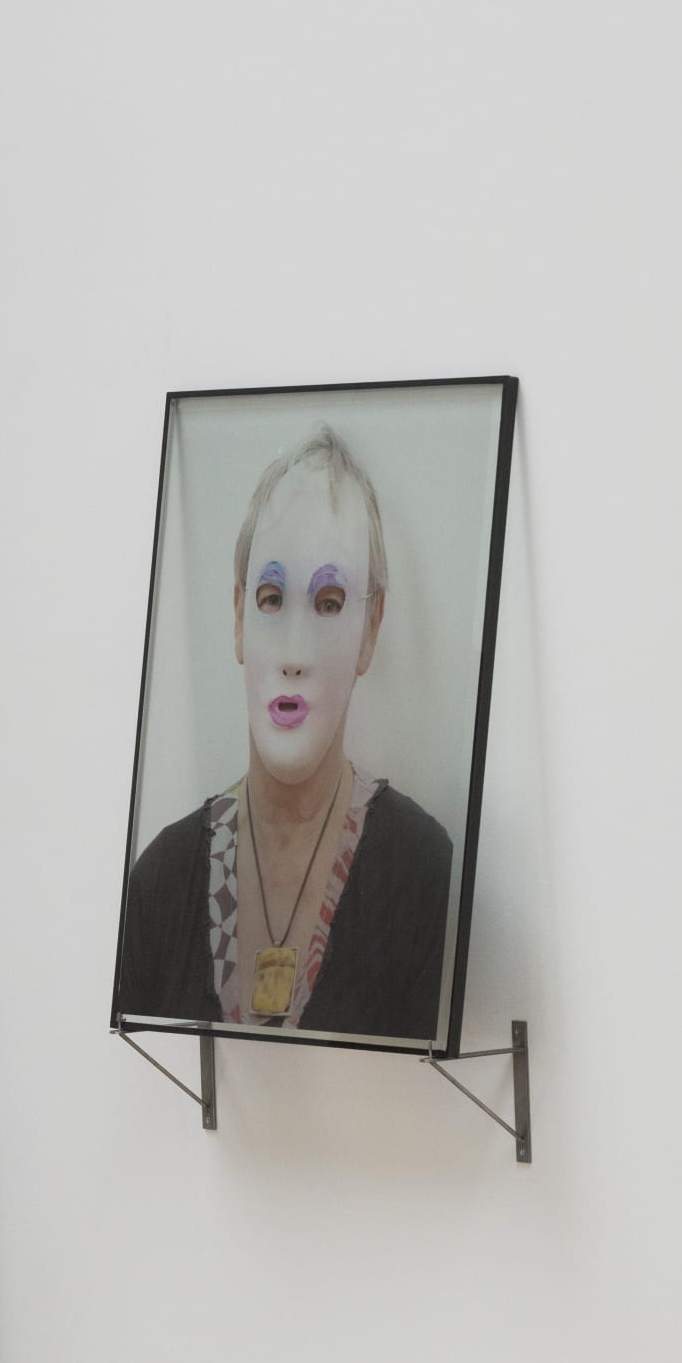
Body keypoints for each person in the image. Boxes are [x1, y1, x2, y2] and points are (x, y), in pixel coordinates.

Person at [119, 425, 451, 1040]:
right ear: (238, 618)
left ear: (371, 629)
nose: (294, 654)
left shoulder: (425, 876)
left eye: (329, 603)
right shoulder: (159, 884)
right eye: (272, 599)